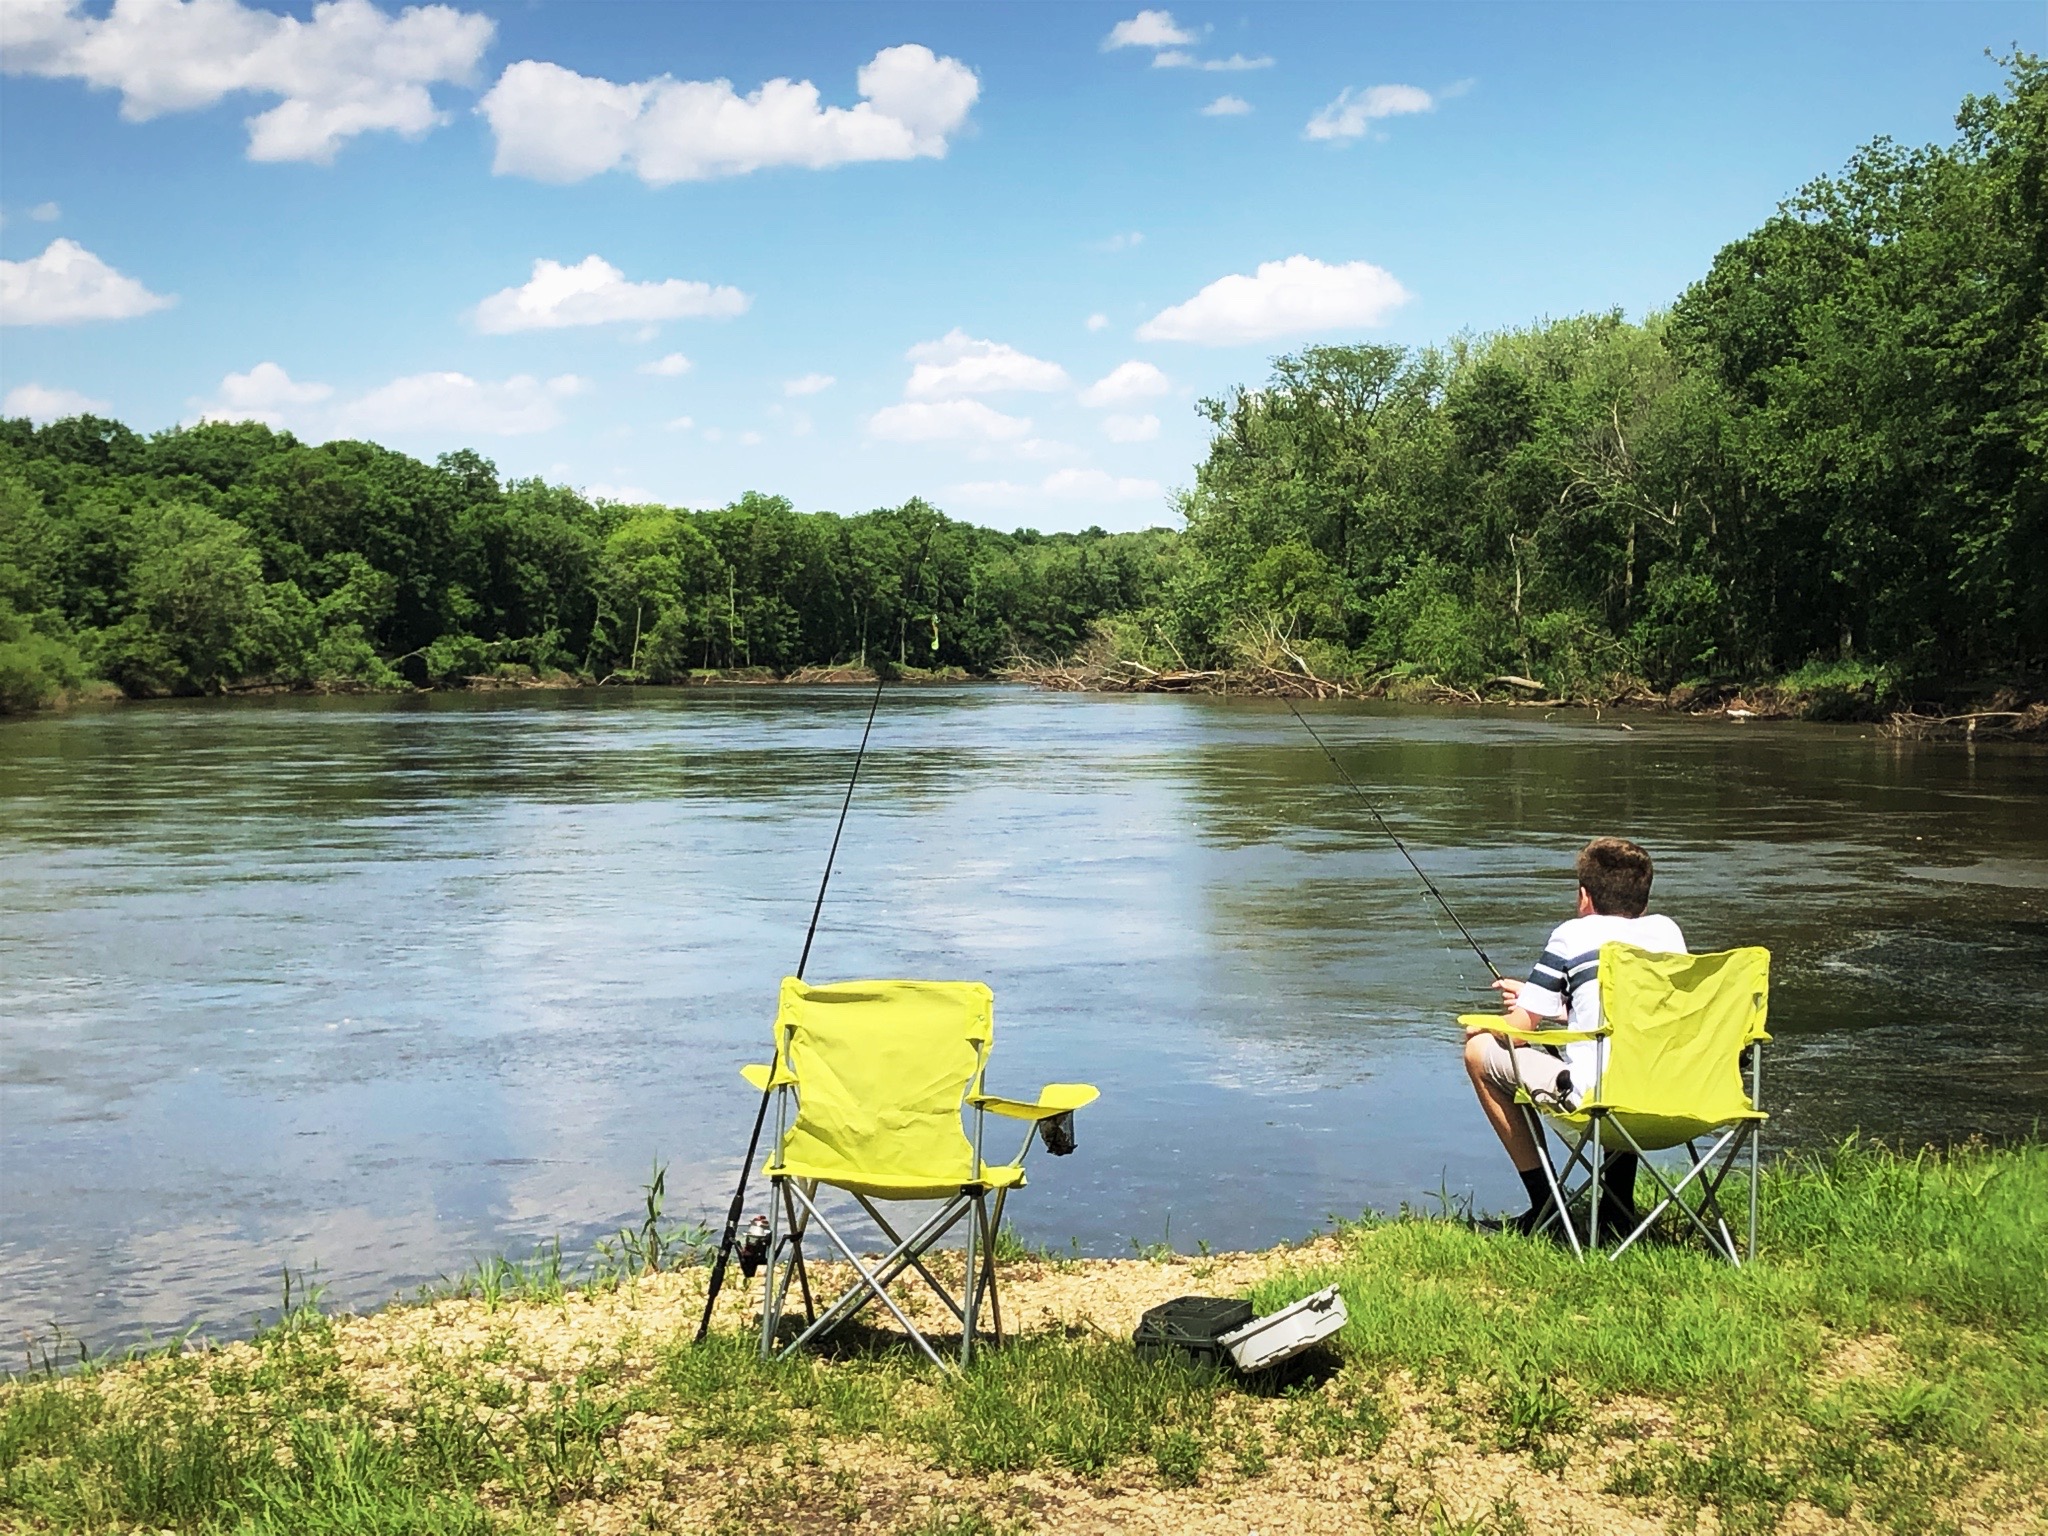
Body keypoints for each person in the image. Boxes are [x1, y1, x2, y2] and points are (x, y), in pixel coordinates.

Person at [1462, 837, 1685, 1235]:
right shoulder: (1668, 934)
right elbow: (1630, 1017)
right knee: (1626, 1054)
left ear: (1584, 897)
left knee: (1480, 1052)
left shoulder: (1572, 935)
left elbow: (1519, 1032)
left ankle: (1546, 1210)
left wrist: (1500, 1020)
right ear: (1644, 900)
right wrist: (1549, 1003)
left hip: (1600, 1102)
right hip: (1674, 1100)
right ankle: (1617, 1211)